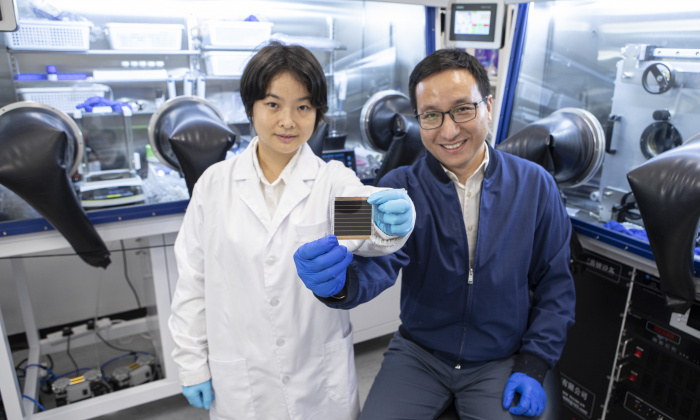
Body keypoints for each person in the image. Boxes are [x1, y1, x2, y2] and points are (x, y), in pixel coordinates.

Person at [294, 48, 576, 419]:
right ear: (418, 119)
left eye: (463, 109)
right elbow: (366, 264)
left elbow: (556, 286)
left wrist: (536, 362)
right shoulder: (395, 187)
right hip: (419, 355)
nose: (448, 130)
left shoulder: (536, 185)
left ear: (488, 106)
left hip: (498, 358)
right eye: (431, 115)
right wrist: (335, 284)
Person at [168, 41, 415, 420]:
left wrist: (389, 222)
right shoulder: (215, 186)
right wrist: (191, 364)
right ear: (250, 106)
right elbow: (192, 282)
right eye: (273, 105)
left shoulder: (329, 181)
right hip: (242, 377)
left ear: (318, 112)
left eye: (303, 107)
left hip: (317, 377)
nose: (288, 120)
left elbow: (367, 229)